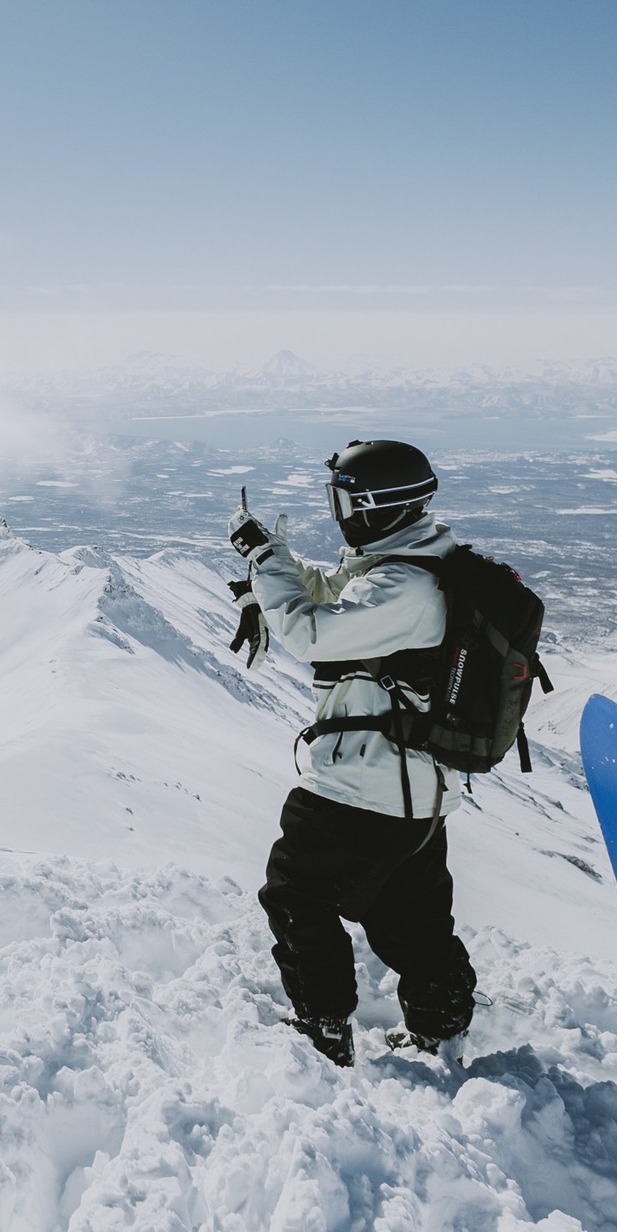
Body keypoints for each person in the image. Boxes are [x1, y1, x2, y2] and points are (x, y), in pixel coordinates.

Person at [228, 438, 479, 1067]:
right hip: (411, 788)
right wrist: (273, 563)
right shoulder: (414, 560)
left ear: (376, 504)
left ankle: (322, 1028)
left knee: (295, 893)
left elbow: (315, 630)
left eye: (343, 499)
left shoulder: (405, 585)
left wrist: (264, 564)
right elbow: (333, 591)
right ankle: (439, 1028)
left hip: (366, 783)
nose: (337, 511)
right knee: (409, 916)